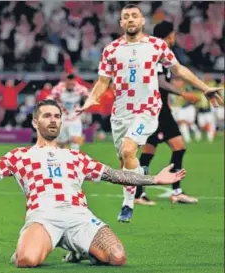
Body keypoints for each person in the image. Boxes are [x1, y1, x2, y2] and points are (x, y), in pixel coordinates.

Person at [0, 99, 185, 268]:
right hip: (44, 218)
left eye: (56, 116)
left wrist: (153, 179)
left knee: (117, 257)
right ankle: (42, 244)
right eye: (46, 116)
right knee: (27, 261)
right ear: (35, 122)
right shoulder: (20, 156)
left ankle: (77, 248)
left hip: (79, 217)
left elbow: (116, 175)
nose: (52, 120)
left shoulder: (75, 156)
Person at [76, 4, 223, 223]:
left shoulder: (157, 45)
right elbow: (102, 82)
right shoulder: (111, 49)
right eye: (126, 17)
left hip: (147, 110)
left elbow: (179, 69)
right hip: (121, 114)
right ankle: (133, 190)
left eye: (135, 16)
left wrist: (203, 87)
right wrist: (90, 99)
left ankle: (128, 203)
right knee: (125, 162)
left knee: (128, 151)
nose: (131, 20)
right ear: (121, 23)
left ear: (143, 21)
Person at [135, 21, 200, 206]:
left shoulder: (153, 53)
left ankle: (139, 193)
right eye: (173, 35)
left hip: (155, 108)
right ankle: (176, 192)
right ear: (170, 35)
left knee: (148, 151)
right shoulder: (159, 54)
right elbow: (160, 82)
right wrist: (183, 93)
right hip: (158, 111)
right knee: (178, 147)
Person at [49, 73, 89, 151]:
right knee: (60, 144)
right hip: (62, 119)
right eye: (68, 83)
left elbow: (88, 98)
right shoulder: (58, 89)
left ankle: (74, 161)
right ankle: (62, 161)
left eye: (72, 83)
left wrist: (84, 106)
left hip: (75, 119)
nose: (70, 85)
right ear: (65, 81)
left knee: (75, 144)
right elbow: (49, 99)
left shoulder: (81, 89)